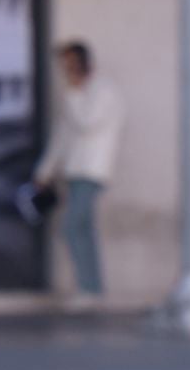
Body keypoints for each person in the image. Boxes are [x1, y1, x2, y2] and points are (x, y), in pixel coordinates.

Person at [31, 40, 123, 303]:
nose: (66, 70)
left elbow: (87, 122)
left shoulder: (104, 91)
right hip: (73, 170)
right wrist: (44, 170)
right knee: (83, 229)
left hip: (92, 170)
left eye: (70, 63)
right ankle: (92, 288)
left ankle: (89, 288)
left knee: (72, 227)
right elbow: (62, 136)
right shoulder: (73, 94)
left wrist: (73, 93)